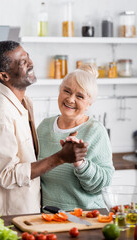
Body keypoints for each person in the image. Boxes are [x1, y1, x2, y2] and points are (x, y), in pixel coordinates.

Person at [0, 41, 88, 217]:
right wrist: (60, 158)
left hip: (24, 209)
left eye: (27, 56)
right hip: (8, 215)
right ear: (4, 76)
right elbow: (7, 175)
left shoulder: (22, 100)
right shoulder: (2, 115)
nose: (31, 63)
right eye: (22, 62)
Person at [37, 63, 115, 211]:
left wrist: (80, 163)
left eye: (80, 96)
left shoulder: (95, 131)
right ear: (59, 91)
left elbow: (103, 185)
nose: (71, 99)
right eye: (67, 91)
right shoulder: (44, 127)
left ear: (89, 103)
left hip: (86, 218)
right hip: (48, 217)